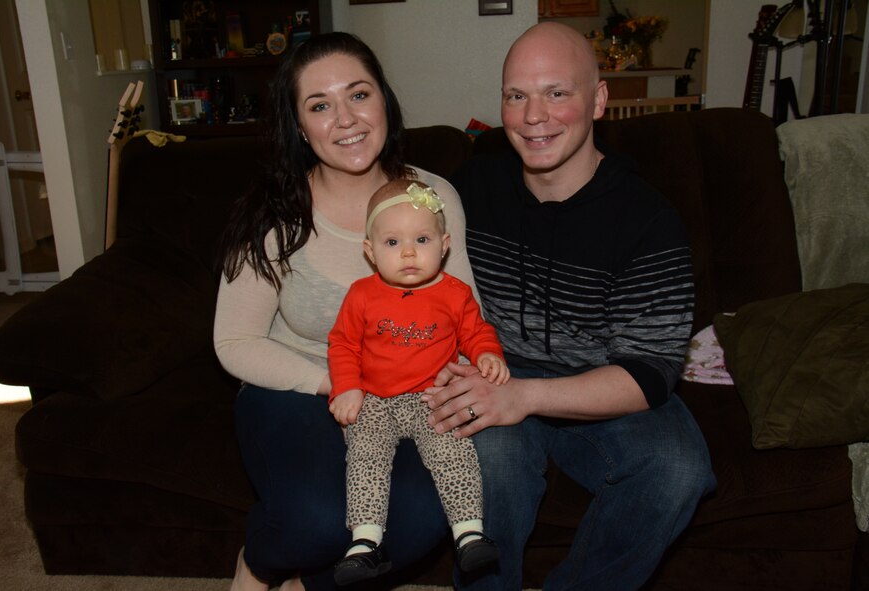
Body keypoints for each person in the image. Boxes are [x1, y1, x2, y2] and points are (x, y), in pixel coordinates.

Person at [422, 22, 717, 591]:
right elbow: (392, 248)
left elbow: (650, 372)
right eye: (517, 95)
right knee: (492, 468)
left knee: (679, 469)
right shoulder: (468, 193)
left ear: (599, 100)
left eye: (558, 92)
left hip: (600, 378)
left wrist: (525, 396)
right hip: (492, 366)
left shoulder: (649, 221)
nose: (534, 116)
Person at [214, 32, 479, 591]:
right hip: (295, 387)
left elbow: (463, 318)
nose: (345, 119)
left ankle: (305, 588)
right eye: (319, 105)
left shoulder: (433, 197)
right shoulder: (275, 213)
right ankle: (258, 564)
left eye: (358, 95)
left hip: (407, 395)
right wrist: (334, 381)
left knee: (427, 519)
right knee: (314, 519)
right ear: (300, 127)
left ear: (384, 99)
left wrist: (456, 380)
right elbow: (235, 342)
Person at [328, 179, 508, 585]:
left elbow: (475, 331)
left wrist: (487, 354)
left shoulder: (455, 293)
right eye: (393, 243)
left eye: (422, 239)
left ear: (444, 244)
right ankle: (365, 543)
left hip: (431, 397)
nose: (409, 252)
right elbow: (342, 344)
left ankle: (469, 533)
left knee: (454, 451)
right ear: (370, 251)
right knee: (365, 456)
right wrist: (346, 386)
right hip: (373, 398)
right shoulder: (361, 294)